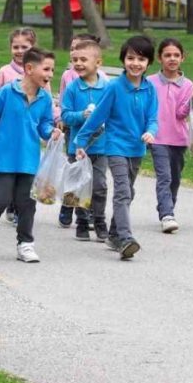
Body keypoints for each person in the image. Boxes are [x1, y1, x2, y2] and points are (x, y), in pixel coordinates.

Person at [0, 47, 61, 263]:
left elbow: (44, 125)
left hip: (29, 159)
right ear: (29, 68)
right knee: (1, 200)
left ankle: (25, 243)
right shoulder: (6, 92)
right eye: (46, 69)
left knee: (27, 202)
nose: (50, 75)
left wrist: (51, 132)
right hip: (3, 157)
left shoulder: (45, 98)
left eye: (52, 70)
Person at [75, 35, 159, 261]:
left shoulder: (150, 89)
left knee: (129, 191)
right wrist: (81, 141)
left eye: (141, 59)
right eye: (130, 58)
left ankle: (113, 234)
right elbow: (98, 116)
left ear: (149, 63)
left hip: (137, 148)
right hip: (115, 146)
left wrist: (151, 131)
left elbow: (153, 118)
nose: (135, 63)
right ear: (123, 60)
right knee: (123, 191)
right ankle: (125, 238)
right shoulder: (113, 87)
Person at [59, 38, 110, 242]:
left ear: (98, 63)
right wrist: (82, 115)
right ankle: (81, 222)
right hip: (78, 147)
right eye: (75, 60)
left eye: (83, 59)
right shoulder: (72, 88)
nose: (78, 63)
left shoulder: (107, 88)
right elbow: (65, 116)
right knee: (79, 185)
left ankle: (99, 221)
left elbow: (114, 113)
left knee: (99, 186)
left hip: (101, 146)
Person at [148, 38, 193, 234]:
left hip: (178, 139)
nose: (172, 59)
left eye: (176, 55)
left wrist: (192, 98)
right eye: (167, 55)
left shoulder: (187, 84)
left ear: (182, 58)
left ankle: (167, 205)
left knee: (175, 178)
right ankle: (167, 214)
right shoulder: (150, 82)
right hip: (157, 137)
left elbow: (181, 114)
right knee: (164, 176)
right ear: (159, 58)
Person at [0, 26, 37, 225]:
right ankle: (5, 201)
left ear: (33, 48)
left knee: (24, 170)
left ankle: (19, 206)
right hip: (7, 132)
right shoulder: (5, 72)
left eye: (24, 47)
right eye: (15, 47)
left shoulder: (38, 71)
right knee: (8, 170)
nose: (19, 51)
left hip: (28, 132)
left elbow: (45, 97)